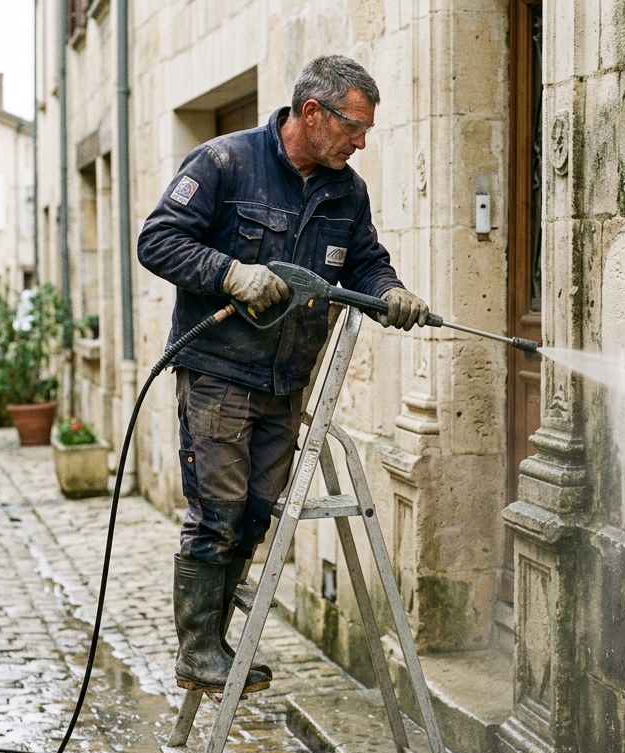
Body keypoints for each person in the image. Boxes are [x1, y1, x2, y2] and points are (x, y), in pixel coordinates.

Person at [137, 55, 429, 695]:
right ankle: (197, 650)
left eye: (366, 132)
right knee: (217, 513)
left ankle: (216, 642)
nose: (360, 143)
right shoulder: (224, 163)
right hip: (218, 375)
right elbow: (156, 241)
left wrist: (391, 291)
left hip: (285, 382)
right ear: (312, 112)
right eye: (353, 127)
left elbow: (365, 263)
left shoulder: (346, 192)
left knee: (254, 515)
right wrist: (229, 273)